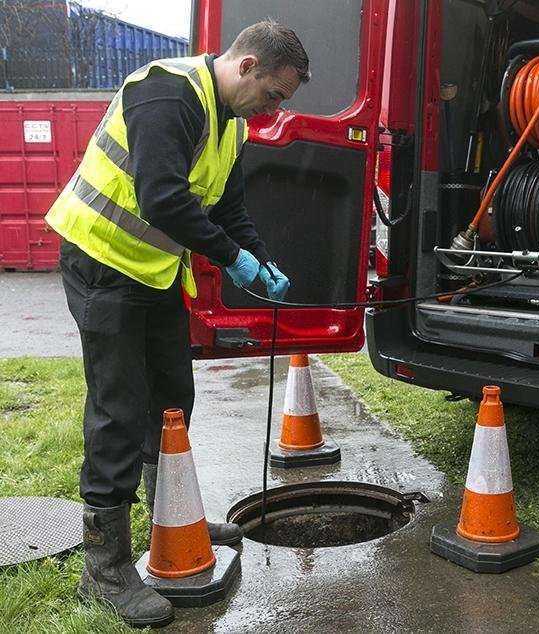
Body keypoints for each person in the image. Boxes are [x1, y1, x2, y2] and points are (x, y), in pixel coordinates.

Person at [45, 20, 309, 627]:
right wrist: (229, 257)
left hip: (155, 272)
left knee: (172, 398)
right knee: (119, 406)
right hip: (102, 261)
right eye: (275, 94)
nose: (274, 110)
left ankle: (175, 516)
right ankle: (105, 569)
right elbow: (163, 198)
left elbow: (229, 207)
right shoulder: (165, 93)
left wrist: (260, 258)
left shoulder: (232, 125)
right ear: (246, 66)